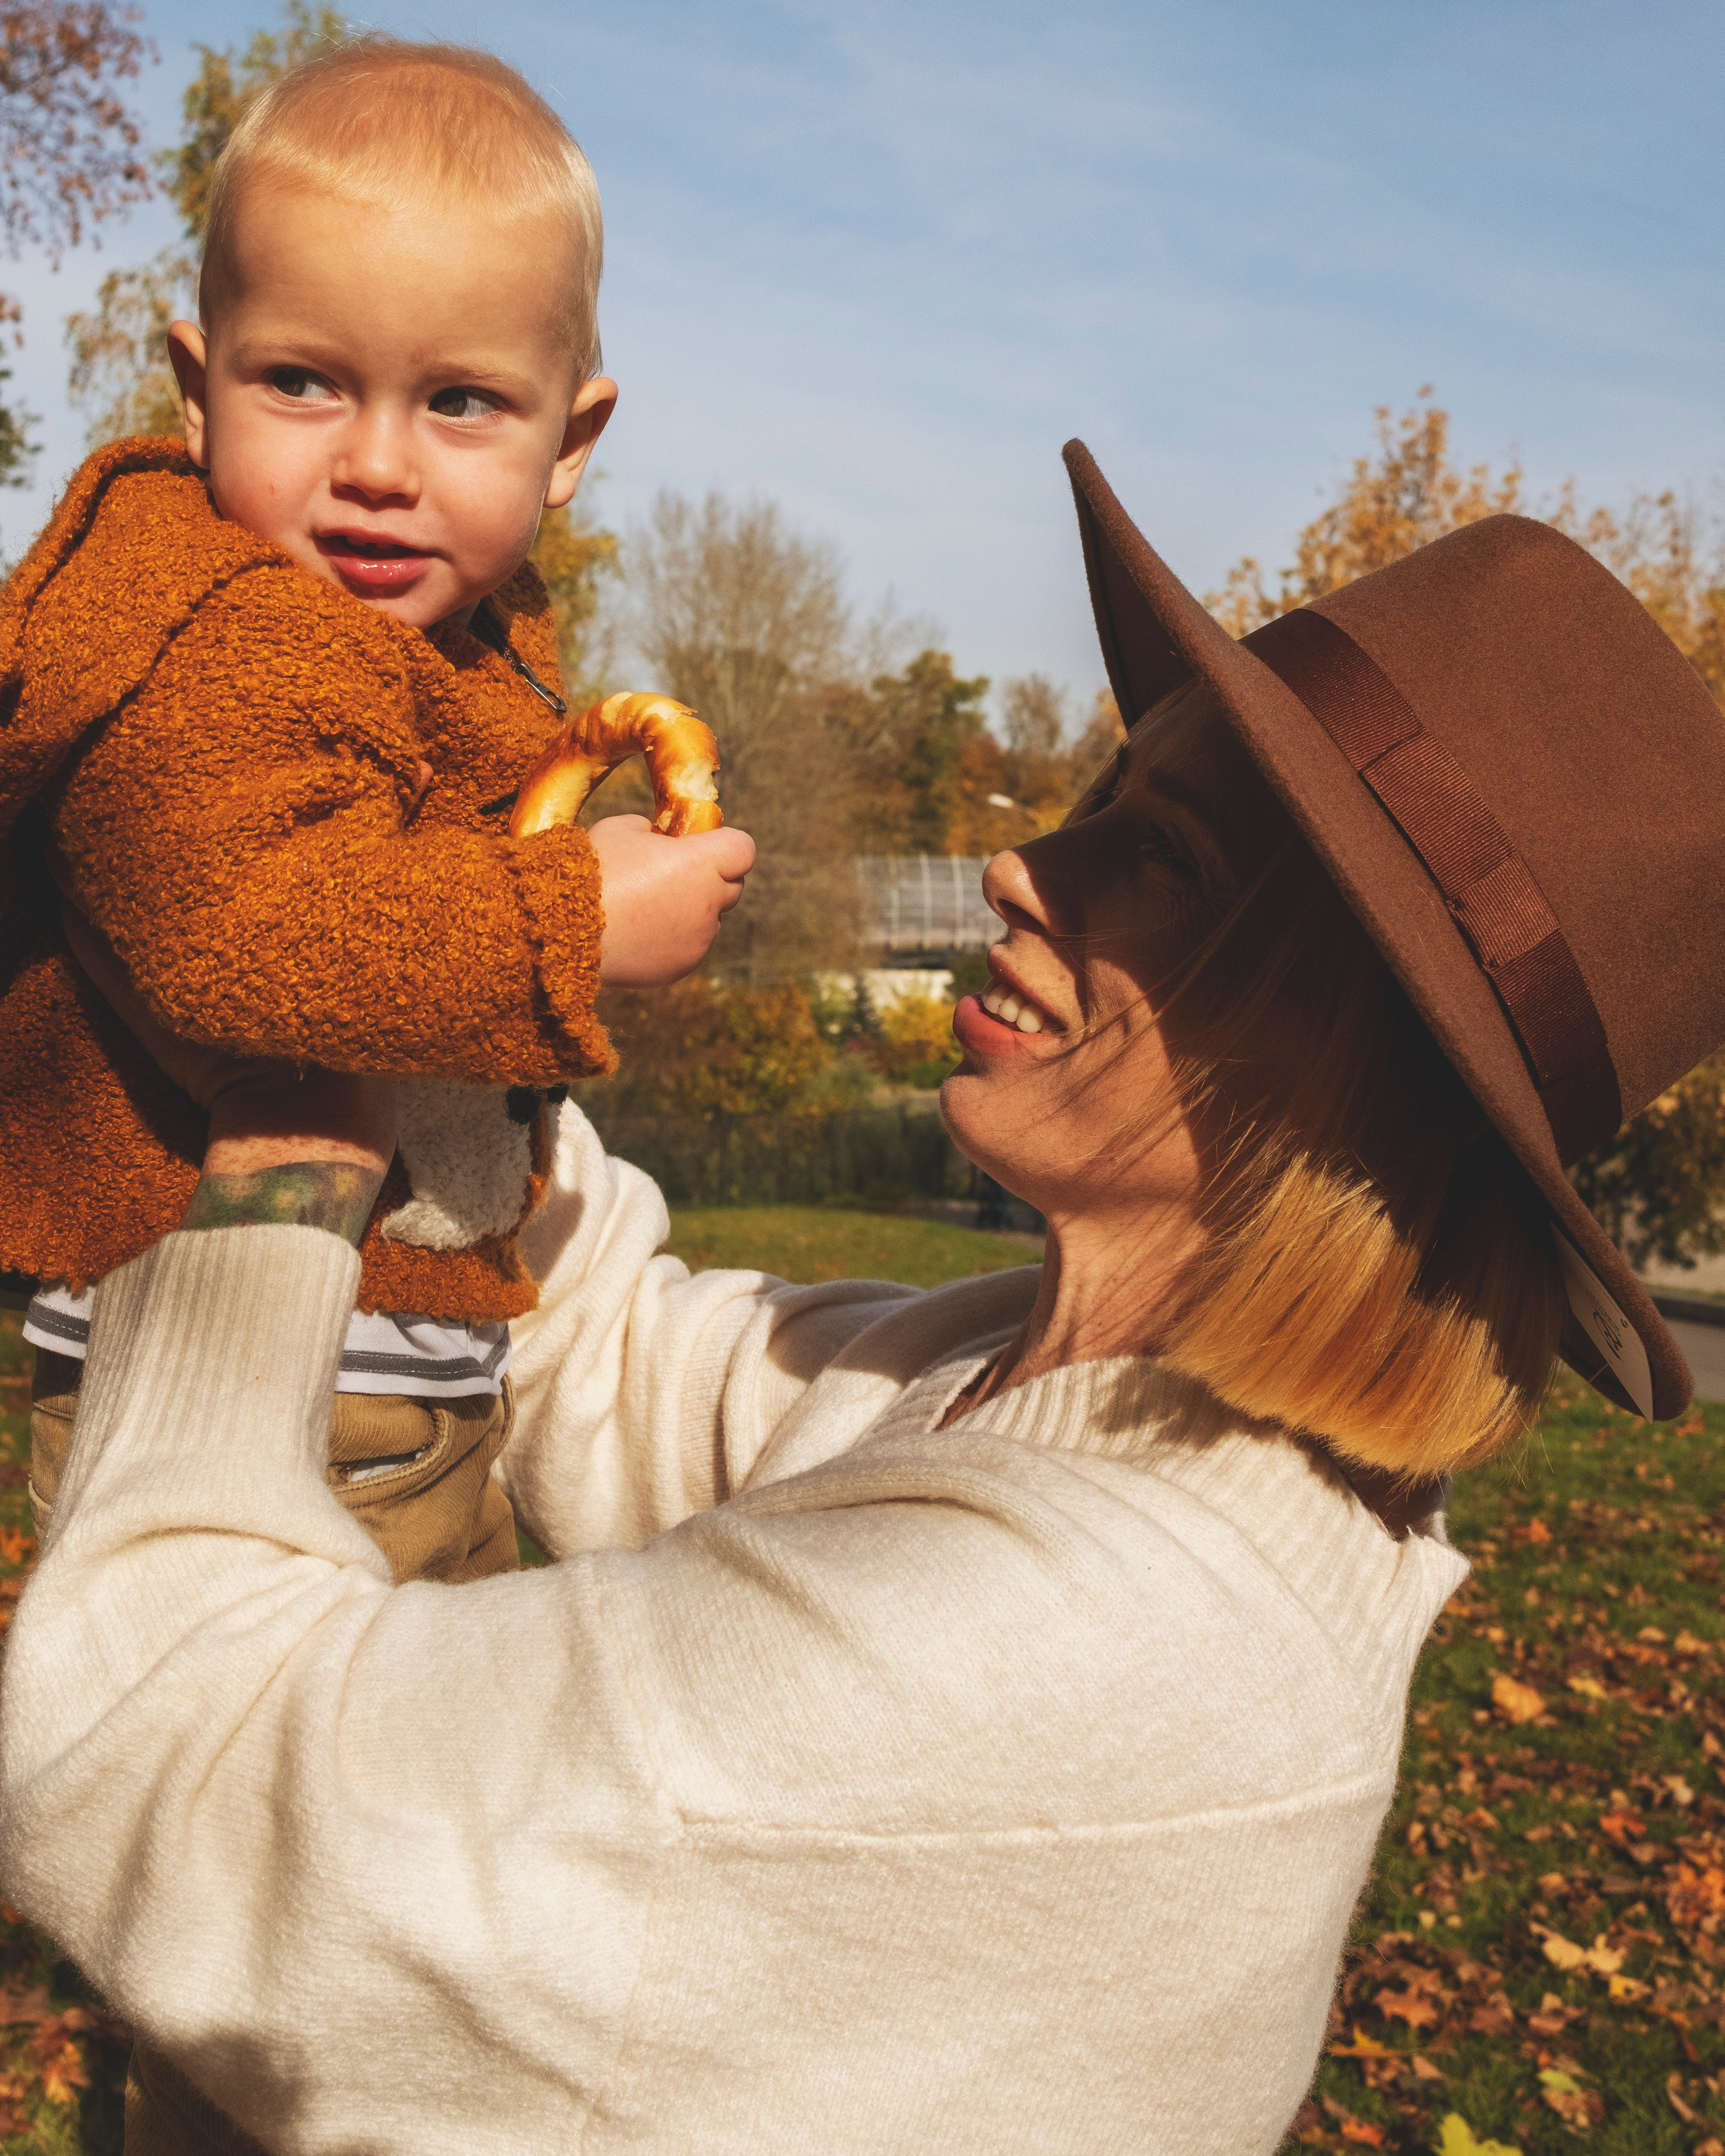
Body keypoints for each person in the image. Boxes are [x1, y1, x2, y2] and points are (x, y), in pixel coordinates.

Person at [4, 443, 1724, 2156]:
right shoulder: (1050, 1391)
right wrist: (428, 951)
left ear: (1358, 1058)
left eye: (1165, 856)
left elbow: (171, 1771)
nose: (1023, 865)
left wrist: (282, 1142)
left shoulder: (1071, 1643)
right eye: (1104, 800)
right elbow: (608, 1355)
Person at [0, 39, 753, 1591]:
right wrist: (572, 920)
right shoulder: (227, 631)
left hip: (394, 1364)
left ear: (569, 444)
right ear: (196, 390)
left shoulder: (444, 644)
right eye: (302, 382)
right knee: (277, 1744)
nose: (376, 466)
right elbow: (242, 931)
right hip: (247, 1380)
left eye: (460, 401)